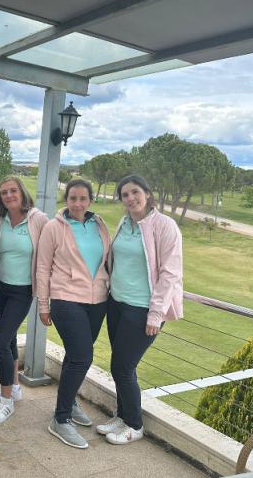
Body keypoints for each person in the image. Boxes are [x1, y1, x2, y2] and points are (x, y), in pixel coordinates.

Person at [98, 175, 183, 445]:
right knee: (122, 366)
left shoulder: (165, 225)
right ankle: (122, 416)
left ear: (147, 193)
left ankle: (135, 425)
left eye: (135, 192)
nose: (131, 198)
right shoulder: (125, 223)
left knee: (122, 367)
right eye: (125, 195)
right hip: (117, 303)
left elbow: (170, 273)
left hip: (143, 309)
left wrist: (156, 314)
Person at [36, 179, 111, 448]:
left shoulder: (99, 224)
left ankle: (68, 401)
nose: (78, 203)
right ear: (66, 200)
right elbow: (43, 267)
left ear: (90, 200)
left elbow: (107, 260)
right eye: (72, 198)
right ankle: (61, 418)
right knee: (82, 356)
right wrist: (43, 305)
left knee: (75, 355)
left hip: (98, 300)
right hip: (66, 298)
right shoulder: (54, 227)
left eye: (83, 198)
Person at [0, 176, 48, 424]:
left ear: (22, 193)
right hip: (1, 287)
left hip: (23, 290)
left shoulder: (38, 219)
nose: (9, 196)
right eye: (4, 193)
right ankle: (14, 387)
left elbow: (48, 254)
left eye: (13, 191)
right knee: (9, 338)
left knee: (0, 342)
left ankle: (6, 400)